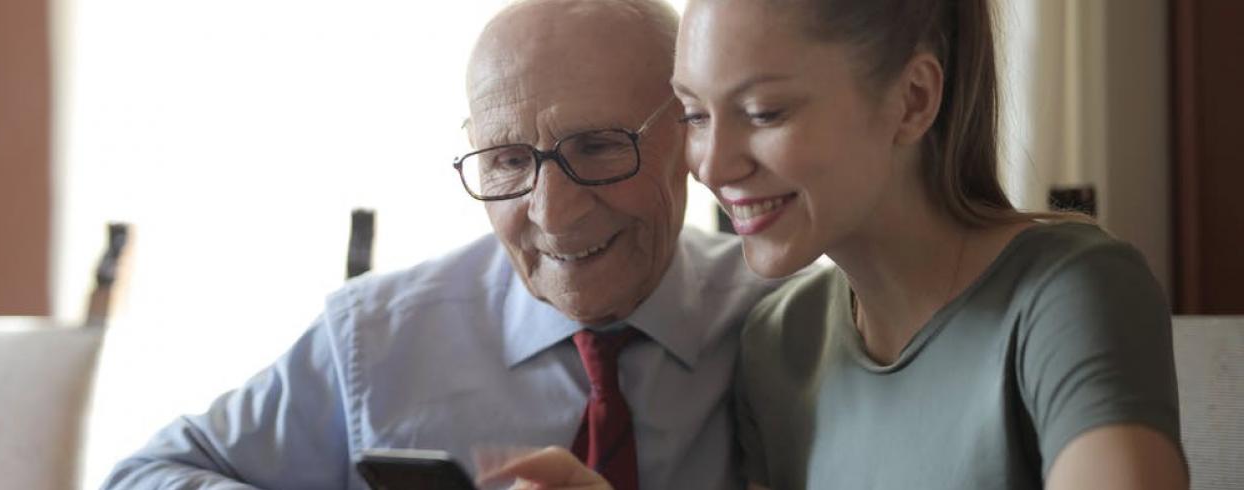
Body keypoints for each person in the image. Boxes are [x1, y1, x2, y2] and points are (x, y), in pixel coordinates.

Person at [497, 0, 1188, 489]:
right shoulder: (778, 338)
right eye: (696, 115)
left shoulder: (1067, 291)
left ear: (913, 99)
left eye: (764, 112)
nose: (711, 164)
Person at [101, 1, 779, 489]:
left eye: (599, 148)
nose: (553, 213)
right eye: (508, 161)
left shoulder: (787, 325)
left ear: (691, 137)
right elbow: (141, 477)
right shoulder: (377, 338)